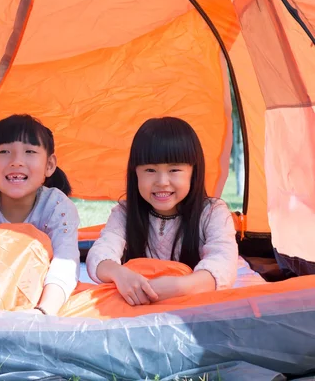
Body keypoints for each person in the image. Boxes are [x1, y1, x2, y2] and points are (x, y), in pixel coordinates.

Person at [86, 117, 238, 306]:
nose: (162, 181)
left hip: (194, 310)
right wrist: (118, 274)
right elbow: (100, 254)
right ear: (135, 174)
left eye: (174, 170)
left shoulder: (213, 213)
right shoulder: (124, 213)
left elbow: (224, 262)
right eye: (150, 170)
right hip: (139, 308)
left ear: (193, 172)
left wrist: (182, 286)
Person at [0, 114, 80, 315]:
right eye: (4, 151)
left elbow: (66, 263)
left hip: (38, 301)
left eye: (30, 151)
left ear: (49, 165)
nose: (17, 161)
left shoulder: (58, 208)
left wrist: (43, 312)